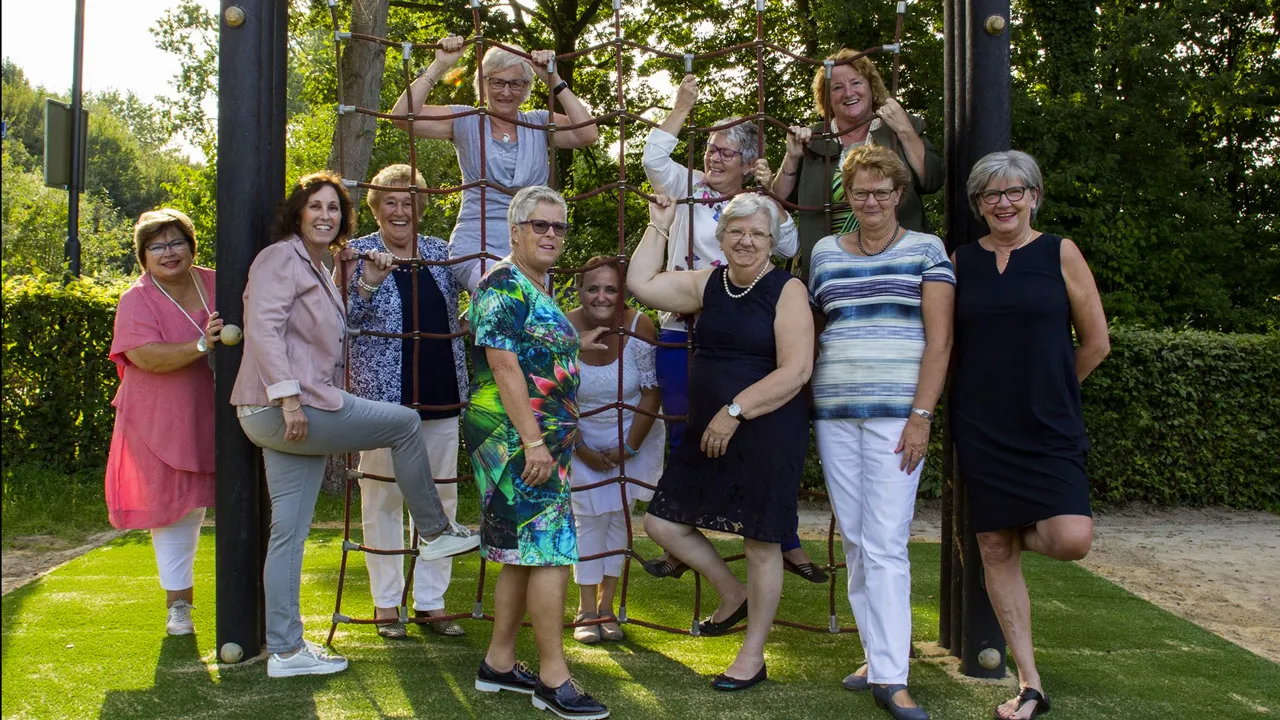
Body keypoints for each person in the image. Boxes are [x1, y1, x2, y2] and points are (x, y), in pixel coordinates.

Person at [231, 171, 479, 678]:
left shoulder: (321, 265)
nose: (325, 216)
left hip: (294, 409)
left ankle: (286, 650)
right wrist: (289, 399)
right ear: (297, 213)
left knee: (288, 533)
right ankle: (433, 532)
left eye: (332, 209)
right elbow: (263, 328)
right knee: (402, 428)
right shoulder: (283, 257)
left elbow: (332, 327)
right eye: (316, 206)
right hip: (288, 406)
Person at [628, 192, 814, 691]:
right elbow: (640, 284)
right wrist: (659, 225)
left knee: (761, 540)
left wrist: (734, 412)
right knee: (662, 523)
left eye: (757, 233)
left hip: (766, 427)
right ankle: (732, 593)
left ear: (772, 241)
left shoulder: (787, 288)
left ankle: (752, 656)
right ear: (721, 237)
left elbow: (797, 370)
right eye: (737, 231)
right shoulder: (709, 283)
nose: (746, 241)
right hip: (708, 429)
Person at [641, 75, 821, 583]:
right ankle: (681, 532)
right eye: (711, 149)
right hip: (683, 324)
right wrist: (682, 107)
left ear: (746, 162)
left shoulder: (754, 208)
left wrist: (768, 194)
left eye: (726, 152)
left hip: (741, 336)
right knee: (686, 429)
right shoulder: (687, 187)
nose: (714, 159)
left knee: (755, 433)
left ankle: (782, 536)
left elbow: (788, 245)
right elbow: (653, 157)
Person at [951, 151, 1110, 720]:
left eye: (1014, 191)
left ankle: (1014, 533)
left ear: (1034, 196)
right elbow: (945, 342)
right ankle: (1029, 683)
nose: (1004, 203)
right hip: (982, 425)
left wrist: (1055, 390)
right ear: (978, 205)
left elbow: (1096, 342)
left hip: (1048, 425)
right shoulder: (961, 261)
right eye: (991, 195)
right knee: (994, 547)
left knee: (1071, 538)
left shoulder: (1060, 251)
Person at [808, 146, 955, 720]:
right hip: (834, 412)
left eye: (881, 192)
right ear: (847, 195)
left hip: (898, 415)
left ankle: (893, 677)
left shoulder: (926, 249)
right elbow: (817, 328)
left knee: (887, 540)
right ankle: (876, 656)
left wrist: (922, 416)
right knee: (854, 538)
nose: (870, 201)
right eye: (860, 192)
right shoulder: (824, 252)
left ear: (899, 195)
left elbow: (940, 341)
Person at [464, 186, 610, 719]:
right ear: (516, 230)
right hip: (517, 440)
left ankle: (499, 662)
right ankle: (554, 679)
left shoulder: (533, 286)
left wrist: (573, 344)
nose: (551, 234)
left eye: (558, 226)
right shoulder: (501, 283)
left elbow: (531, 349)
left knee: (523, 556)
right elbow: (503, 365)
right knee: (551, 551)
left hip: (538, 441)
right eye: (540, 225)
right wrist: (532, 442)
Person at [344, 164, 471, 639]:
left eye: (409, 201)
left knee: (442, 497)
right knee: (383, 499)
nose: (400, 210)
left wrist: (470, 322)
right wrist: (369, 282)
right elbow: (344, 320)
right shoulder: (355, 253)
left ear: (421, 207)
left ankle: (431, 602)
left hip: (441, 394)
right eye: (390, 201)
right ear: (375, 208)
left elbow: (475, 296)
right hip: (383, 404)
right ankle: (386, 603)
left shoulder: (441, 253)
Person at [392, 35, 600, 292]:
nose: (506, 92)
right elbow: (402, 116)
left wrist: (553, 79)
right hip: (477, 245)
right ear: (483, 83)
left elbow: (588, 134)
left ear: (526, 87)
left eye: (515, 84)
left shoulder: (538, 123)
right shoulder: (466, 119)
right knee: (508, 295)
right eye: (497, 82)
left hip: (530, 249)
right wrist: (440, 65)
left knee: (531, 312)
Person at [106, 208, 220, 636]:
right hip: (160, 419)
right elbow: (145, 356)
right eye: (156, 246)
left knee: (243, 501)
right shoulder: (136, 299)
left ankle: (256, 602)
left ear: (192, 246)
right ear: (143, 256)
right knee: (174, 511)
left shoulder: (217, 282)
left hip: (222, 409)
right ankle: (179, 606)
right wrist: (200, 345)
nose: (168, 252)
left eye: (176, 242)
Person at [771, 49, 944, 277]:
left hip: (900, 263)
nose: (848, 92)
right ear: (826, 97)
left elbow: (932, 180)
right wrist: (791, 157)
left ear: (871, 87)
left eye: (856, 83)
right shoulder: (813, 139)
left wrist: (904, 129)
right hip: (829, 267)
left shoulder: (899, 127)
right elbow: (778, 201)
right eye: (837, 87)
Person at [564, 258, 664, 645]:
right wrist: (581, 447)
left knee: (619, 517)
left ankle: (607, 607)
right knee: (587, 517)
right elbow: (554, 396)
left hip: (631, 430)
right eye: (593, 288)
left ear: (622, 292)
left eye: (611, 289)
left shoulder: (641, 326)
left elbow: (651, 391)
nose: (602, 297)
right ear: (579, 290)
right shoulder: (563, 326)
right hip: (578, 433)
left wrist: (629, 447)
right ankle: (585, 609)